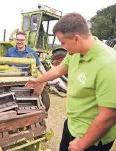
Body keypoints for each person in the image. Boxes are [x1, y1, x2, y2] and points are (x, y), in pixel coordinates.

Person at [26, 13, 116, 151]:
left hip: (93, 137)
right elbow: (58, 70)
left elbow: (108, 116)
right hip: (73, 124)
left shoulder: (109, 64)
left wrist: (82, 143)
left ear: (77, 39)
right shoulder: (75, 53)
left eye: (63, 42)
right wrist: (37, 80)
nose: (62, 46)